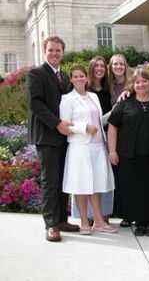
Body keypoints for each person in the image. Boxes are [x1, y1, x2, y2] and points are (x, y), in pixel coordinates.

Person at [26, 36, 80, 242]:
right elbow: (35, 104)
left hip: (65, 137)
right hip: (47, 135)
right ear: (45, 51)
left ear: (63, 53)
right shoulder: (36, 74)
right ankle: (51, 225)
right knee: (50, 181)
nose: (55, 53)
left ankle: (61, 219)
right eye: (51, 50)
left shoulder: (65, 77)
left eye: (58, 50)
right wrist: (57, 123)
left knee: (62, 179)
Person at [60, 65, 116, 235]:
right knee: (81, 185)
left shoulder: (93, 96)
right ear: (71, 79)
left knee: (97, 185)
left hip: (98, 147)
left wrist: (118, 108)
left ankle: (98, 221)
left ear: (86, 78)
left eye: (81, 76)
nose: (79, 79)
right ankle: (84, 221)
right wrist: (84, 128)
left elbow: (99, 120)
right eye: (75, 76)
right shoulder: (67, 99)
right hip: (80, 147)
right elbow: (65, 124)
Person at [108, 69, 149, 237]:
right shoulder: (124, 102)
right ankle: (138, 222)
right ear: (133, 85)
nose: (141, 84)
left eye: (144, 81)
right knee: (133, 189)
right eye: (137, 82)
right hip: (128, 155)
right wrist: (112, 151)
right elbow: (112, 126)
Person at [70, 56, 114, 223]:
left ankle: (101, 216)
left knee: (100, 181)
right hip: (83, 142)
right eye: (96, 66)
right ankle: (85, 218)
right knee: (83, 181)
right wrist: (85, 128)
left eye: (103, 66)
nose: (100, 69)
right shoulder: (80, 92)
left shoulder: (106, 90)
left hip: (101, 139)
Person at [108, 54, 132, 227]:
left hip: (130, 132)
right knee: (119, 176)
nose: (118, 66)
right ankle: (122, 211)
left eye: (121, 63)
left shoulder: (132, 83)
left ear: (125, 65)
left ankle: (130, 213)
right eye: (115, 64)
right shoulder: (108, 85)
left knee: (130, 175)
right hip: (114, 131)